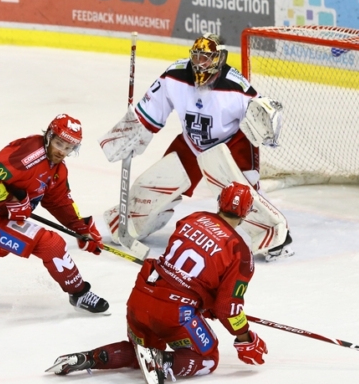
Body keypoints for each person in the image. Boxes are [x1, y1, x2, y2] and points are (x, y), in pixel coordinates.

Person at [47, 181, 268, 384]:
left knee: (141, 350)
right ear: (247, 213)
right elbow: (227, 308)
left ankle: (89, 358)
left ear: (220, 201)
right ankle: (163, 361)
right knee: (207, 359)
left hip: (141, 296)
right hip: (174, 311)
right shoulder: (240, 251)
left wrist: (205, 302)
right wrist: (245, 338)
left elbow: (184, 272)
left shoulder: (193, 218)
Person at [98, 33, 293, 259]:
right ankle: (131, 223)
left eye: (207, 58)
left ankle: (275, 236)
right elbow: (150, 112)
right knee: (153, 184)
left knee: (241, 195)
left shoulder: (237, 87)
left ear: (220, 59)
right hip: (191, 142)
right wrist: (132, 132)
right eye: (197, 56)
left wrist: (266, 122)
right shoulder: (174, 76)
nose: (201, 63)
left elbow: (258, 120)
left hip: (231, 143)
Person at [0, 114, 110, 315]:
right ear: (49, 137)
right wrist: (8, 201)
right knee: (50, 244)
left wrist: (81, 229)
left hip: (5, 217)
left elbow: (59, 201)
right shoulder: (29, 156)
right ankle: (79, 294)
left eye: (68, 148)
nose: (62, 151)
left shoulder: (56, 169)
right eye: (58, 143)